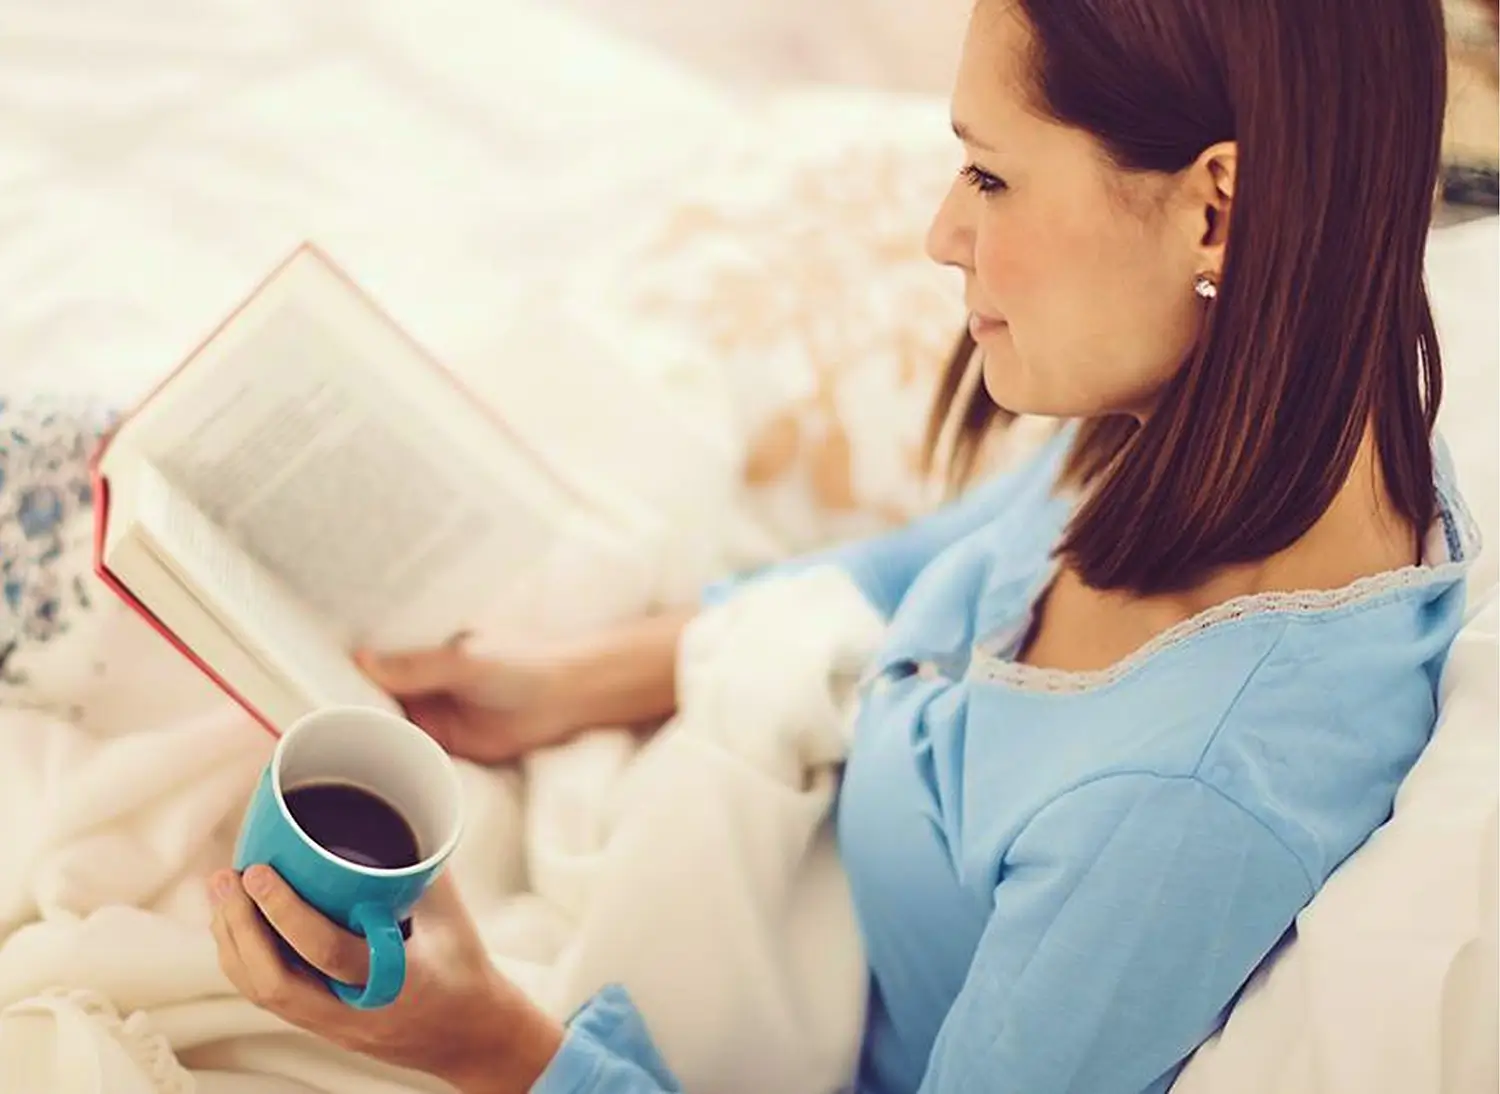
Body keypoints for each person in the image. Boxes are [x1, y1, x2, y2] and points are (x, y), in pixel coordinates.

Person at [205, 0, 1479, 1091]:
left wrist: (484, 1042)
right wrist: (567, 682)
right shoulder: (1251, 414)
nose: (941, 233)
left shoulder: (1179, 807)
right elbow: (949, 564)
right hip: (751, 798)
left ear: (1214, 214)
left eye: (988, 172)